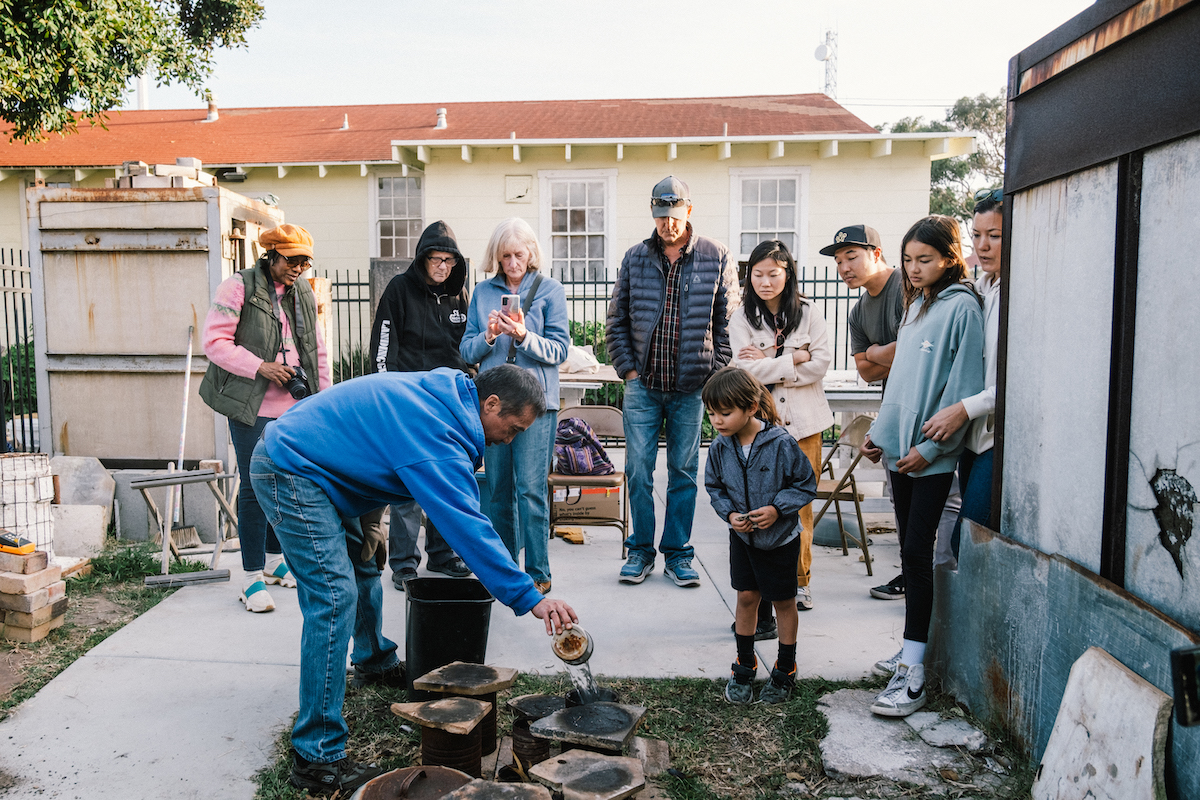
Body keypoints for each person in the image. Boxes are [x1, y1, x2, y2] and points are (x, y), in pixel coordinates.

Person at [250, 364, 578, 796]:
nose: (509, 440)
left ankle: (374, 661)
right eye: (512, 428)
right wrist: (527, 595)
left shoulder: (448, 397)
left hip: (330, 467)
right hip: (292, 468)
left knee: (366, 564)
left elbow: (377, 435)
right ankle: (317, 756)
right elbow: (468, 527)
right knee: (333, 597)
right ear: (491, 403)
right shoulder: (436, 435)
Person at [859, 215, 984, 718]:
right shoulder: (915, 306)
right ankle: (911, 653)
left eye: (924, 260)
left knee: (917, 551)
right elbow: (901, 385)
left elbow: (962, 389)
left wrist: (929, 452)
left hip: (929, 456)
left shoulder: (963, 308)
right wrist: (879, 436)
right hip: (899, 452)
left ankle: (915, 674)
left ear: (950, 258)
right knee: (907, 556)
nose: (913, 269)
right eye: (908, 260)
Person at [605, 176, 740, 587]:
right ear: (653, 214)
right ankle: (641, 550)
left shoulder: (716, 256)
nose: (668, 224)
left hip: (691, 388)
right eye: (661, 216)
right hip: (642, 386)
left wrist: (712, 373)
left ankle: (678, 554)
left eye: (675, 216)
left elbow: (727, 322)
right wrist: (628, 371)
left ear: (688, 212)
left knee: (683, 471)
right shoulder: (634, 258)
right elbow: (617, 321)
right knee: (639, 471)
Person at [199, 223, 331, 613]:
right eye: (292, 260)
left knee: (285, 484)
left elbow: (317, 348)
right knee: (256, 488)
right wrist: (262, 367)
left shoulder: (302, 290)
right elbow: (214, 343)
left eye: (305, 262)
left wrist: (322, 400)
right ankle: (251, 578)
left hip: (295, 406)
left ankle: (275, 562)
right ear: (271, 254)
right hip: (251, 405)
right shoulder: (237, 286)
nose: (298, 268)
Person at [828, 223, 962, 602]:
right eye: (839, 262)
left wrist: (876, 352)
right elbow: (867, 371)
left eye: (852, 256)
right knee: (902, 509)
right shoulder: (859, 312)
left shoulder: (910, 288)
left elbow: (920, 351)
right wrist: (882, 354)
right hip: (896, 414)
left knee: (946, 502)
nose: (845, 268)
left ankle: (944, 586)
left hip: (937, 416)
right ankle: (912, 579)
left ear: (877, 253)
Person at [461, 218, 570, 595]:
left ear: (531, 253)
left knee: (531, 489)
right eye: (504, 256)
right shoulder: (482, 292)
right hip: (493, 404)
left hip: (536, 405)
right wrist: (489, 335)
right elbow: (466, 350)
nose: (511, 263)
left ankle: (538, 570)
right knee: (498, 489)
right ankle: (506, 568)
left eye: (518, 255)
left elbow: (559, 350)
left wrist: (523, 335)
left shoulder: (550, 290)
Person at [368, 221, 474, 589]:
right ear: (422, 258)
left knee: (447, 482)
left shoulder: (460, 294)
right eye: (436, 259)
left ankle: (444, 556)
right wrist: (389, 394)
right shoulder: (398, 290)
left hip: (449, 405)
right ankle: (404, 565)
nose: (442, 267)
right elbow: (383, 348)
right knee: (408, 487)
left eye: (449, 260)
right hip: (407, 402)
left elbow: (469, 347)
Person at [703, 367, 817, 705]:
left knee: (783, 601)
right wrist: (730, 514)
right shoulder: (720, 448)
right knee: (746, 598)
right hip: (743, 540)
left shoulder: (781, 443)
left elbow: (805, 484)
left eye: (725, 413)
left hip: (780, 541)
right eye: (711, 413)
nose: (717, 421)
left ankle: (784, 668)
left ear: (751, 407)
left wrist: (777, 509)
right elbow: (714, 487)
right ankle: (744, 664)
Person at [731, 239, 832, 615]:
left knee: (799, 506)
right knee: (760, 505)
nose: (765, 281)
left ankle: (799, 582)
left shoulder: (810, 314)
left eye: (773, 273)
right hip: (762, 428)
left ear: (787, 274)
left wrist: (771, 360)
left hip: (806, 425)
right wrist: (793, 357)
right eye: (757, 274)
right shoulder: (740, 319)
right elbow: (746, 372)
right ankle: (761, 582)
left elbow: (820, 365)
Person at [920, 189, 1003, 558]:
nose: (983, 245)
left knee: (966, 545)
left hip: (996, 439)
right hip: (969, 439)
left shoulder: (1022, 292)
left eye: (995, 235)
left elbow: (1018, 382)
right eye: (977, 234)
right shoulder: (978, 289)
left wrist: (964, 408)